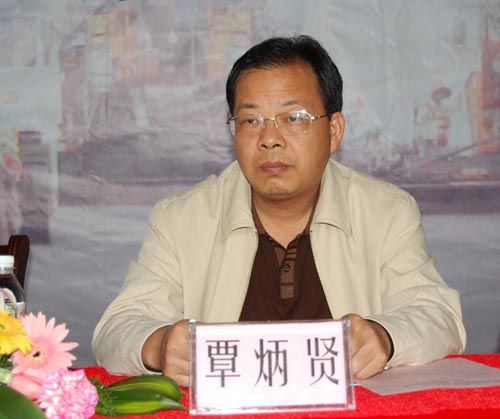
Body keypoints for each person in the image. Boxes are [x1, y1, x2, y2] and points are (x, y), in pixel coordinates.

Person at [92, 35, 466, 387]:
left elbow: (438, 315)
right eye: (251, 120)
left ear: (334, 130)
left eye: (294, 117)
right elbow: (116, 328)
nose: (270, 139)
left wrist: (385, 337)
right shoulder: (181, 220)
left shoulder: (386, 212)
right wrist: (158, 346)